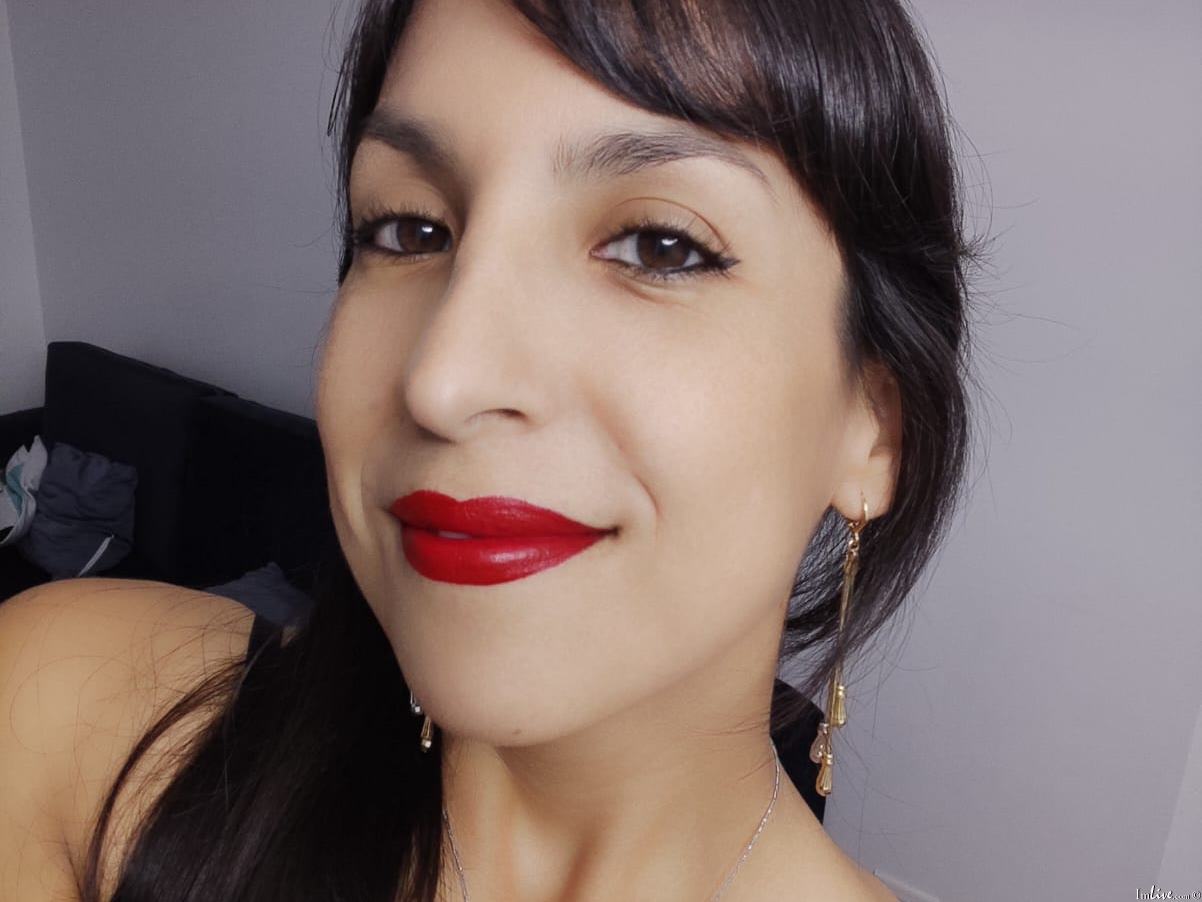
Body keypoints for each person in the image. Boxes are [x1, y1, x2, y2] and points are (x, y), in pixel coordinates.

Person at [0, 0, 983, 898]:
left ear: (873, 428)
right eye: (409, 229)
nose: (443, 378)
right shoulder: (71, 720)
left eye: (659, 245)